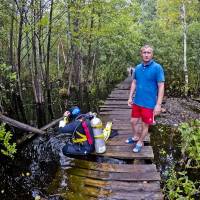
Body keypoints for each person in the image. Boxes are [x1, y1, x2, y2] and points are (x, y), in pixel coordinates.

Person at [127, 45, 165, 153]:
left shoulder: (157, 68)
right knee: (133, 121)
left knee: (145, 125)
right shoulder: (138, 68)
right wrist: (130, 97)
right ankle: (135, 136)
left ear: (152, 54)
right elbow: (134, 82)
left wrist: (158, 104)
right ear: (141, 54)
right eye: (144, 52)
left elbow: (161, 86)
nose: (146, 54)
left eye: (149, 52)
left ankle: (140, 141)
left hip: (149, 104)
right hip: (137, 101)